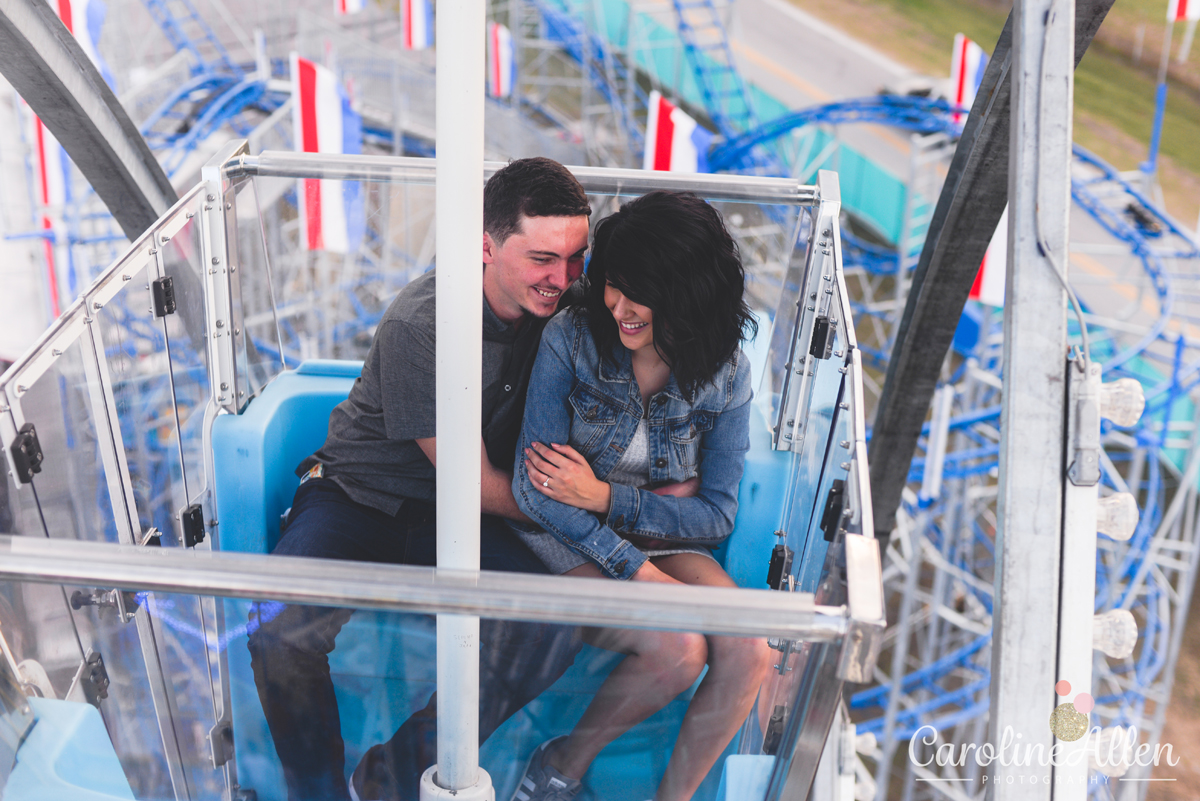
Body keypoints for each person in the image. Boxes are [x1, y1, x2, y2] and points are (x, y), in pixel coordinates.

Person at [246, 157, 592, 801]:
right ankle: (317, 794)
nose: (562, 278)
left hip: (457, 514)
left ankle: (390, 777)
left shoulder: (566, 308)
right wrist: (592, 508)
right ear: (484, 247)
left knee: (551, 624)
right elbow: (475, 487)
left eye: (576, 259)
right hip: (362, 497)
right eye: (544, 258)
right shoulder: (422, 325)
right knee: (279, 632)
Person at [507, 191, 772, 801]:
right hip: (566, 538)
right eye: (611, 285)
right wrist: (637, 560)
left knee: (749, 652)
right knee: (677, 651)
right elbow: (538, 491)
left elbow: (717, 514)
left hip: (650, 533)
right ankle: (561, 767)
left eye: (639, 292)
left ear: (687, 293)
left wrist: (605, 496)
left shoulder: (727, 372)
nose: (619, 307)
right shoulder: (572, 339)